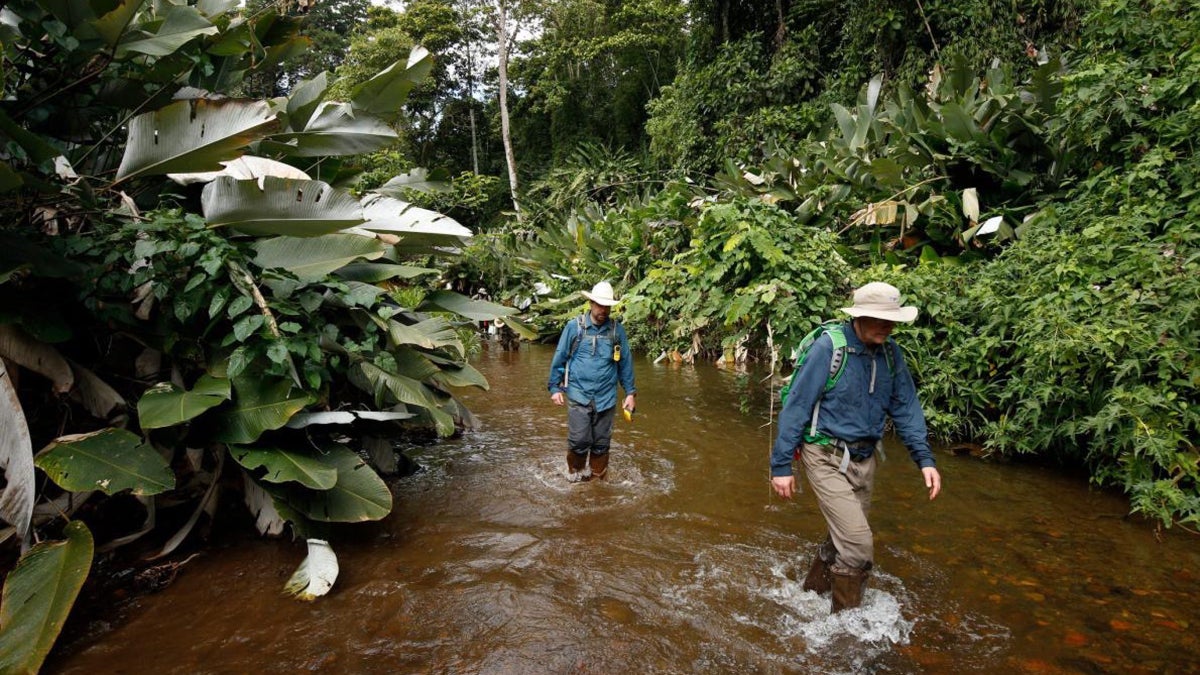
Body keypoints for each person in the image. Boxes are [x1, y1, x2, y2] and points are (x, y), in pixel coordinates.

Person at [770, 282, 941, 613]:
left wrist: (925, 460)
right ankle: (844, 630)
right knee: (859, 548)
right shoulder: (829, 350)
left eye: (891, 320)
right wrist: (781, 466)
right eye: (879, 319)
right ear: (859, 317)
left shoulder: (891, 355)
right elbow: (798, 407)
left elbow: (906, 407)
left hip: (865, 458)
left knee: (844, 541)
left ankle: (811, 596)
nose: (887, 326)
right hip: (824, 455)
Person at [548, 281, 637, 482]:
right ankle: (575, 477)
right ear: (590, 303)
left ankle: (597, 481)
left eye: (607, 306)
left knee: (601, 444)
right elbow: (560, 357)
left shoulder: (616, 331)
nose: (603, 310)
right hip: (579, 394)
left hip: (606, 397)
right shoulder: (574, 327)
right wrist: (555, 388)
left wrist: (630, 393)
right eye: (599, 305)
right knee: (579, 440)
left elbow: (625, 363)